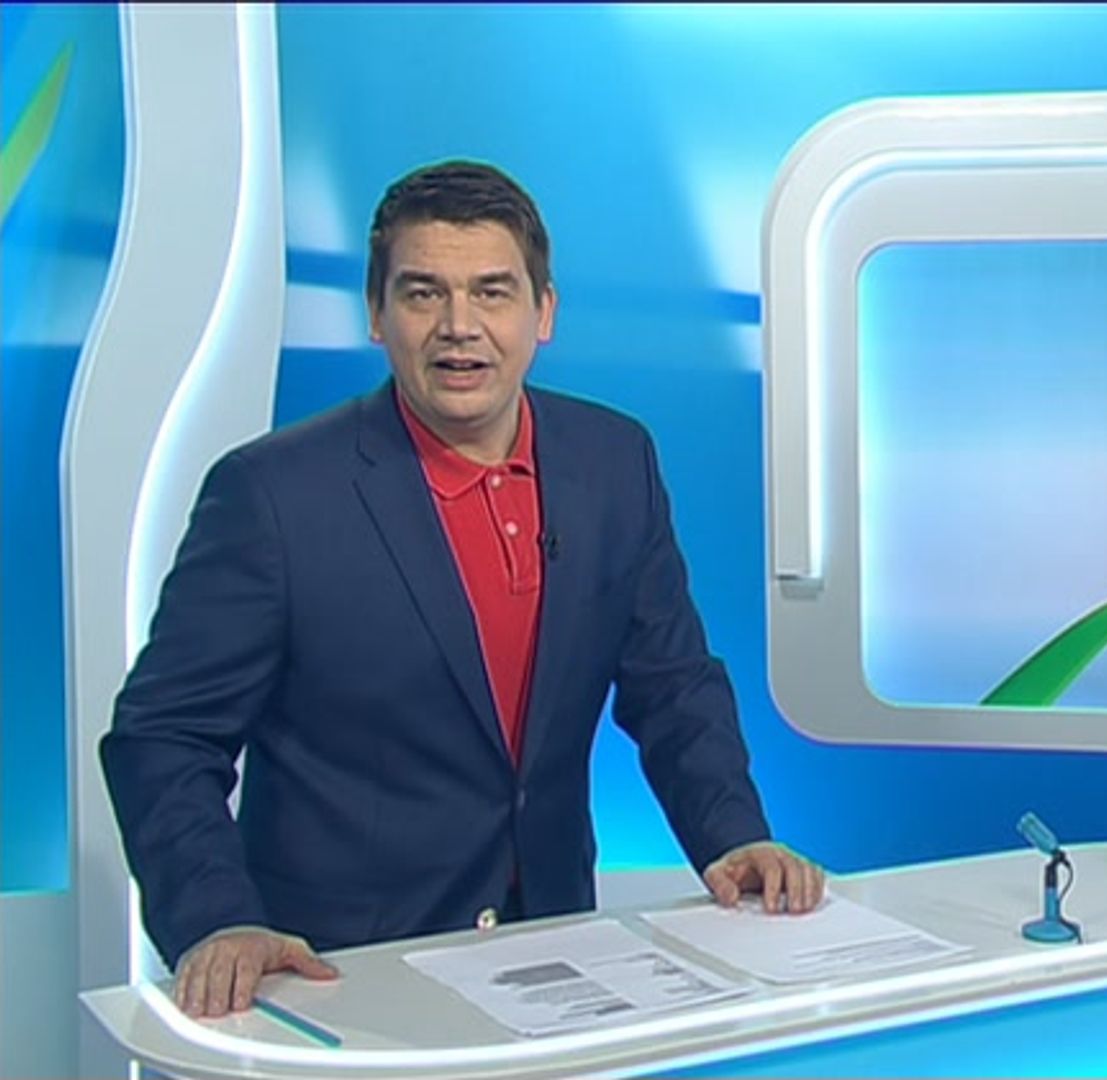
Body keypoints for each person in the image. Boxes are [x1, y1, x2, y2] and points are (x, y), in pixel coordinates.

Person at [100, 160, 822, 1020]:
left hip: (552, 957)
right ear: (376, 314)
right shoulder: (274, 497)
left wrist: (732, 836)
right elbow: (165, 736)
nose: (459, 327)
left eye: (491, 292)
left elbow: (672, 686)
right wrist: (219, 918)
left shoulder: (613, 463)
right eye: (422, 294)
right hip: (341, 974)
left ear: (542, 312)